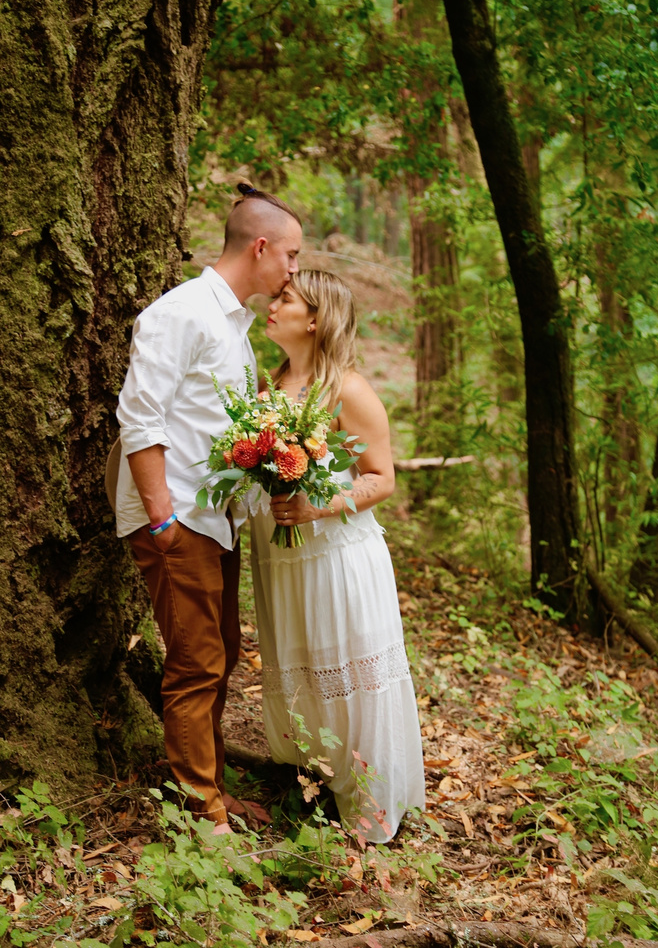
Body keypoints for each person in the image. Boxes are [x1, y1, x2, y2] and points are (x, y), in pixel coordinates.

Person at [115, 184, 302, 832]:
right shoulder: (183, 313)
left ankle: (212, 788)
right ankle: (202, 814)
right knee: (196, 663)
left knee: (218, 655)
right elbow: (139, 417)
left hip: (215, 518)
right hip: (179, 517)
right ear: (260, 247)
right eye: (291, 256)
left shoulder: (234, 328)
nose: (293, 270)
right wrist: (162, 518)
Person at [250, 269, 425, 843]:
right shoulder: (266, 390)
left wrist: (317, 509)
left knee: (348, 673)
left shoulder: (347, 389)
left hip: (338, 559)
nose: (272, 304)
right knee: (300, 669)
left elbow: (381, 478)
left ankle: (369, 807)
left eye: (286, 299)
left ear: (315, 319)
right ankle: (315, 784)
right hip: (283, 563)